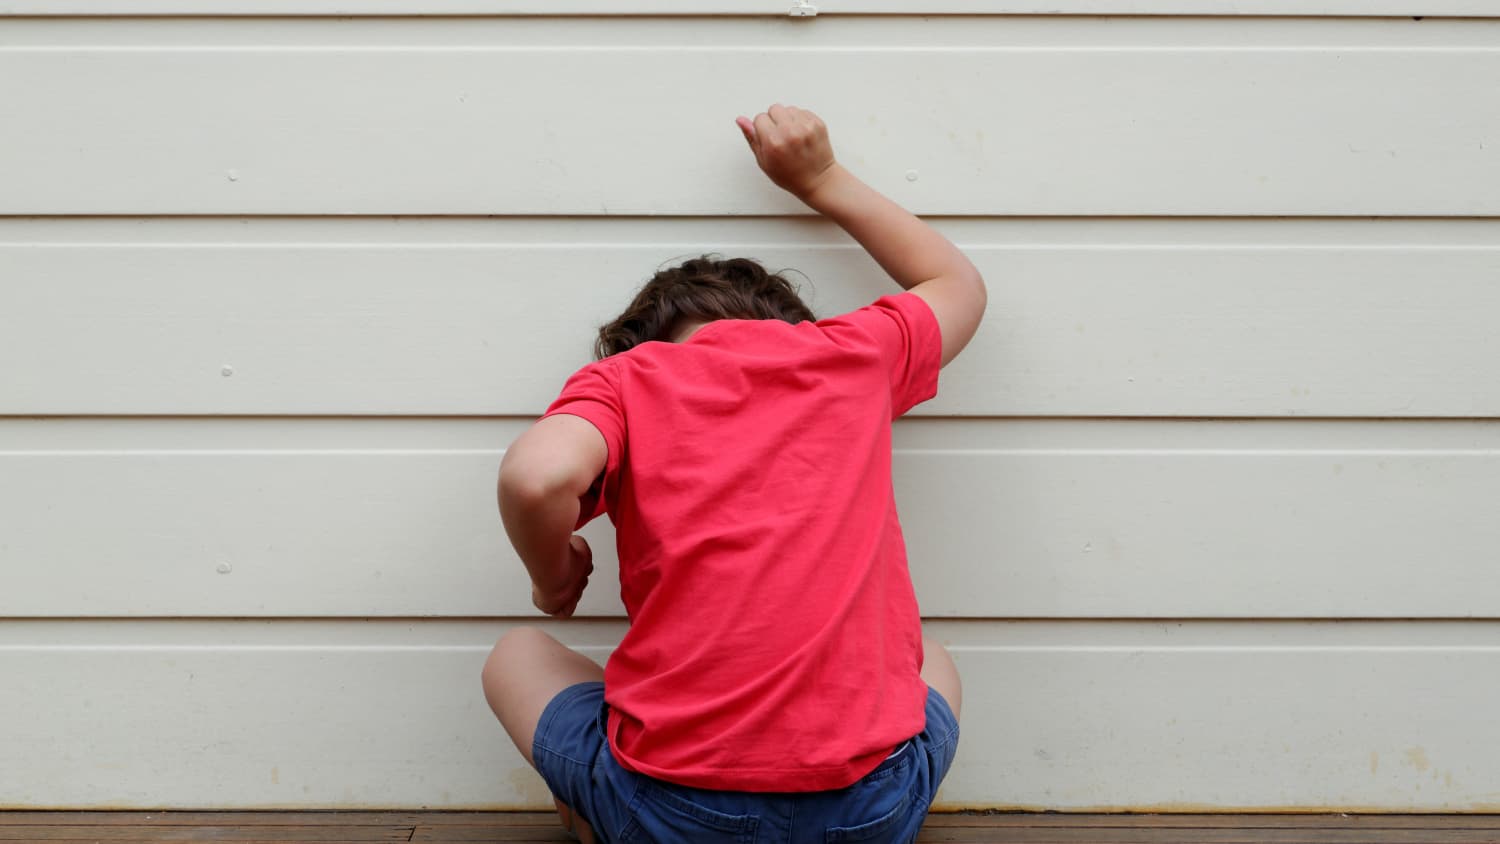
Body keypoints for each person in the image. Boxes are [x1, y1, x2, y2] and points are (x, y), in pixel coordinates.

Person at [481, 103, 987, 843]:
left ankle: (601, 819)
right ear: (787, 323)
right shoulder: (849, 354)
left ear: (645, 340)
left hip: (677, 811)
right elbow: (958, 284)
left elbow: (535, 478)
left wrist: (552, 573)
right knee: (931, 661)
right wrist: (820, 177)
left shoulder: (629, 378)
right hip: (867, 808)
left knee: (516, 655)